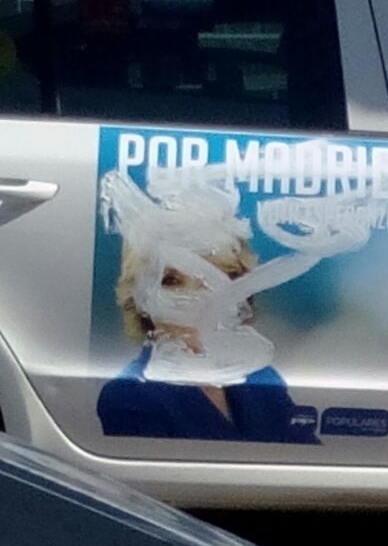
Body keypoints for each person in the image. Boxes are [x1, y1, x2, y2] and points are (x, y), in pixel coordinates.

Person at [95, 170, 319, 445]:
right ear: (141, 299)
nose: (195, 297)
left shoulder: (261, 379)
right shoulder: (129, 396)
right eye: (172, 281)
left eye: (214, 278)